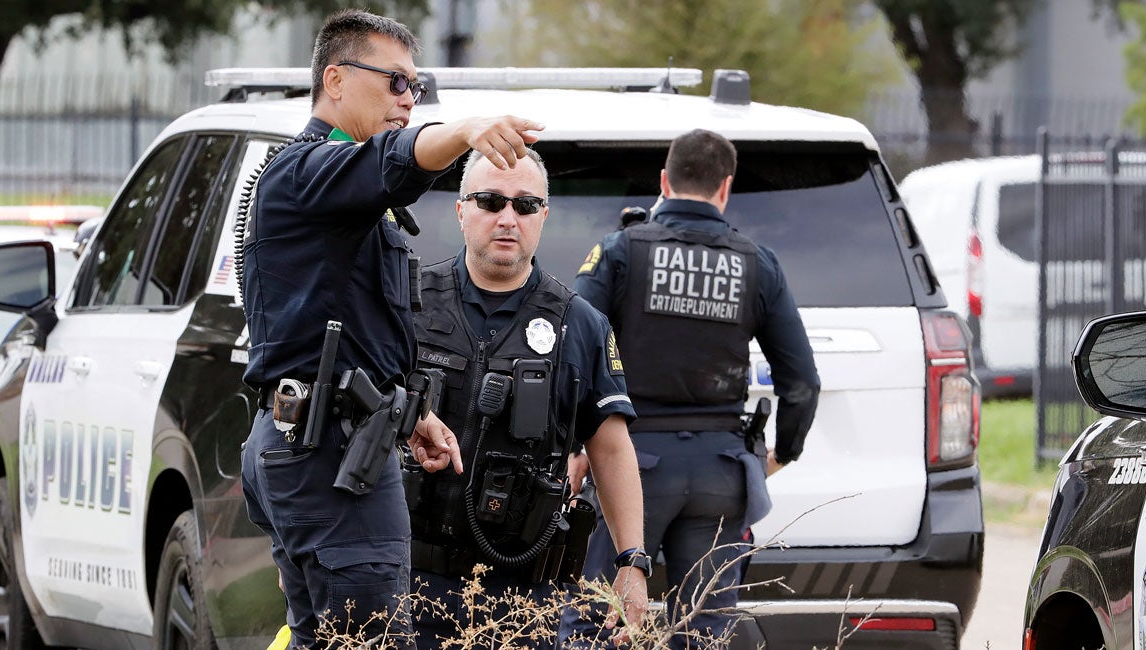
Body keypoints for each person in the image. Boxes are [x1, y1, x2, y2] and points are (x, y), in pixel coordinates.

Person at [239, 9, 543, 649]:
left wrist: (412, 413)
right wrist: (462, 130)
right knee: (373, 640)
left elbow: (352, 326)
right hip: (327, 454)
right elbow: (393, 161)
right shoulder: (308, 170)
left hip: (334, 442)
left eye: (417, 86)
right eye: (396, 82)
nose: (409, 99)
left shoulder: (339, 195)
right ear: (336, 80)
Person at [559, 129, 820, 648]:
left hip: (629, 466)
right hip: (720, 476)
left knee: (596, 626)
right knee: (704, 635)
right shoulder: (757, 263)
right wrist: (783, 454)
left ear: (664, 182)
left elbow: (571, 352)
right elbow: (802, 383)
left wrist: (572, 447)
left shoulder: (620, 251)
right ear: (725, 188)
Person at [403, 147, 648, 649]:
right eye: (490, 201)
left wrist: (632, 562)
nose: (508, 218)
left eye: (525, 205)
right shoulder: (407, 303)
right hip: (403, 583)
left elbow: (611, 449)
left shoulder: (579, 324)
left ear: (543, 216)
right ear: (461, 210)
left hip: (518, 603)